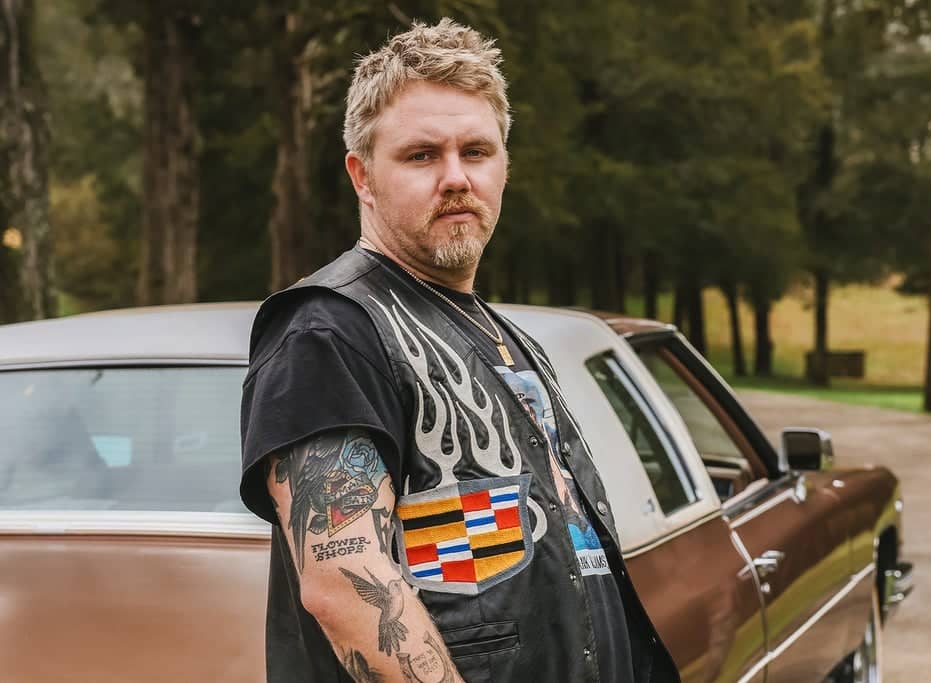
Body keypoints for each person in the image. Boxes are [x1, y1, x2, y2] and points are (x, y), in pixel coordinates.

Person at [239, 18, 676, 683]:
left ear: (503, 165)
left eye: (476, 151)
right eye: (421, 156)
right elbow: (345, 586)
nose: (455, 177)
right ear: (363, 176)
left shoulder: (504, 337)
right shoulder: (328, 333)